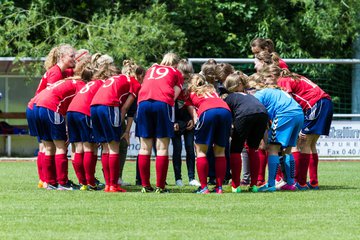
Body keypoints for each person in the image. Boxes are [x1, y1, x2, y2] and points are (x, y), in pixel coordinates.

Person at [261, 64, 333, 190]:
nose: (264, 82)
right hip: (324, 102)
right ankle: (313, 182)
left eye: (265, 79)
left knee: (303, 142)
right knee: (311, 144)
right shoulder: (292, 77)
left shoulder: (282, 81)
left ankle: (300, 182)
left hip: (314, 104)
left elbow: (287, 103)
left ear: (272, 76)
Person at [35, 50, 90, 190]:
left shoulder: (66, 78)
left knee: (48, 147)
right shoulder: (80, 84)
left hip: (39, 106)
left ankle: (50, 182)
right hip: (51, 107)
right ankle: (63, 182)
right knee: (61, 146)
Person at [26, 44, 77, 189]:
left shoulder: (58, 71)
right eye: (71, 56)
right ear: (61, 57)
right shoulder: (56, 73)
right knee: (56, 145)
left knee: (45, 146)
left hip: (35, 107)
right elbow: (54, 95)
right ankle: (60, 182)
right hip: (43, 107)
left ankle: (46, 181)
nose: (74, 59)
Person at [91, 60, 144, 193]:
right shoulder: (134, 83)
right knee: (114, 146)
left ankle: (108, 184)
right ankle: (113, 185)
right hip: (109, 106)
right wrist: (119, 125)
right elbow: (125, 107)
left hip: (94, 107)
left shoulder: (116, 77)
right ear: (138, 75)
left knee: (105, 147)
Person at [67, 53, 116, 190]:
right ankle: (90, 183)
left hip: (71, 111)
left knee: (78, 147)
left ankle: (83, 182)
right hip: (83, 112)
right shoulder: (103, 83)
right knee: (90, 147)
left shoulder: (91, 82)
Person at [136, 52, 184, 193]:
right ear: (176, 64)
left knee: (144, 147)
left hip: (143, 103)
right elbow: (173, 96)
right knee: (162, 147)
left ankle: (145, 186)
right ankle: (160, 187)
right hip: (162, 103)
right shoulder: (176, 72)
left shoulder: (151, 69)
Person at [222, 71, 268, 193]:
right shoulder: (250, 95)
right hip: (262, 113)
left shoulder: (229, 98)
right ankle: (253, 185)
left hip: (245, 114)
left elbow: (227, 116)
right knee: (254, 148)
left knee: (235, 150)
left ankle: (235, 186)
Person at [253, 82, 304, 192]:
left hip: (285, 114)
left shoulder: (259, 94)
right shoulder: (277, 92)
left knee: (273, 149)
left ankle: (271, 184)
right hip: (299, 113)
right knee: (288, 150)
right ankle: (290, 183)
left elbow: (259, 114)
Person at [186, 74, 232, 194]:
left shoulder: (191, 92)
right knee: (220, 151)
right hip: (225, 111)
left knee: (201, 151)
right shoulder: (212, 90)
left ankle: (204, 187)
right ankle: (219, 187)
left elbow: (193, 114)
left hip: (207, 111)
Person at [171, 59, 200, 187]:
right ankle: (178, 178)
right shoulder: (173, 85)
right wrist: (172, 121)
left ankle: (192, 177)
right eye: (184, 73)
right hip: (176, 122)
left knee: (190, 148)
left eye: (189, 73)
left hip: (188, 122)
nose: (186, 76)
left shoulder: (191, 86)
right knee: (177, 149)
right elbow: (170, 104)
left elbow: (192, 104)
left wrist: (192, 119)